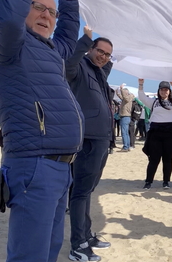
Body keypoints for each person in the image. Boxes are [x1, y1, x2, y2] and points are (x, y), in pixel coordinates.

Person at [0, 0, 84, 261]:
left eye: (51, 12)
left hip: (60, 168)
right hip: (34, 165)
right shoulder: (5, 45)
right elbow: (9, 17)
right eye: (37, 7)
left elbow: (67, 35)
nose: (46, 15)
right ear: (23, 4)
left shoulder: (51, 50)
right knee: (30, 256)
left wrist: (68, 2)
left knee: (49, 251)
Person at [65, 25, 114, 261]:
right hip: (87, 139)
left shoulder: (98, 73)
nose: (103, 57)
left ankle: (86, 234)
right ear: (90, 49)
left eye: (107, 54)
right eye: (100, 51)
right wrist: (84, 39)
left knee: (87, 190)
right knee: (80, 192)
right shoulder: (79, 67)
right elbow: (68, 64)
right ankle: (78, 245)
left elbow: (106, 68)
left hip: (102, 140)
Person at [138, 79, 172, 189]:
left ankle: (166, 182)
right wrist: (141, 84)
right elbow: (142, 97)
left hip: (170, 133)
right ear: (158, 91)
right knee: (154, 159)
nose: (164, 92)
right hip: (156, 132)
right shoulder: (153, 102)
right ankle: (148, 182)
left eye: (166, 90)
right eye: (162, 90)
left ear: (169, 91)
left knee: (168, 159)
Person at [116, 85, 134, 152]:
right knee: (126, 133)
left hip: (125, 116)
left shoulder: (128, 98)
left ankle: (125, 147)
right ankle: (128, 146)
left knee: (124, 132)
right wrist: (117, 91)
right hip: (127, 117)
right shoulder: (127, 99)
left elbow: (124, 97)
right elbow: (121, 96)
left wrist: (121, 89)